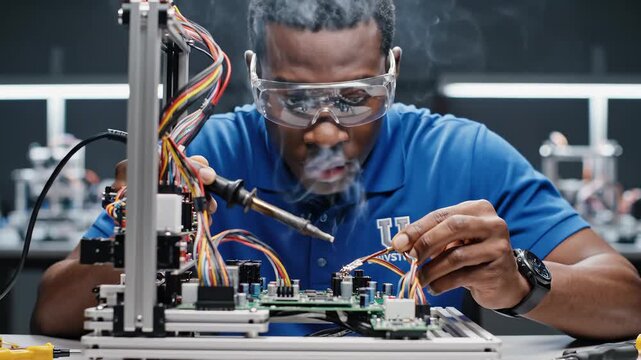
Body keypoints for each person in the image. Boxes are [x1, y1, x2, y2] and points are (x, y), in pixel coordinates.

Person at [33, 0, 641, 339]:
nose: (325, 130)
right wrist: (144, 234)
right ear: (251, 73)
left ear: (393, 70)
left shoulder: (461, 155)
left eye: (355, 98)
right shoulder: (199, 157)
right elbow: (51, 314)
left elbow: (626, 303)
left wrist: (520, 284)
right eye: (293, 100)